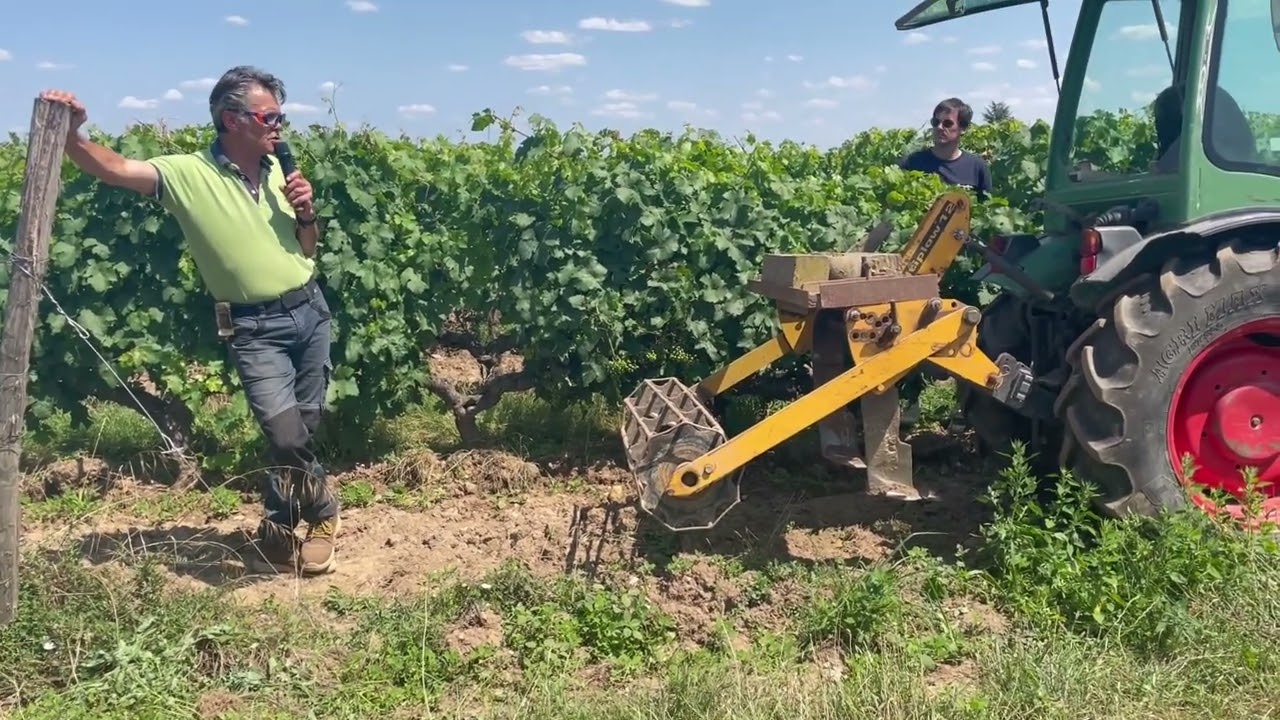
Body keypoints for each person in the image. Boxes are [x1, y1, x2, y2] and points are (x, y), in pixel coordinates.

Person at [39, 65, 341, 576]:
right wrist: (70, 136)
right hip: (254, 327)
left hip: (310, 312)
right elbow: (115, 168)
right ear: (231, 119)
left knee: (299, 430)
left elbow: (307, 247)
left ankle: (280, 520)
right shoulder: (187, 173)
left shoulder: (277, 172)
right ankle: (324, 508)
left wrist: (307, 215)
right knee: (286, 436)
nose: (279, 125)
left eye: (280, 115)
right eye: (269, 115)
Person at [899, 97, 992, 201]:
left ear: (963, 129)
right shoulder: (912, 163)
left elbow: (985, 210)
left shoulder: (977, 167)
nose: (939, 127)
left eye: (947, 123)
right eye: (935, 122)